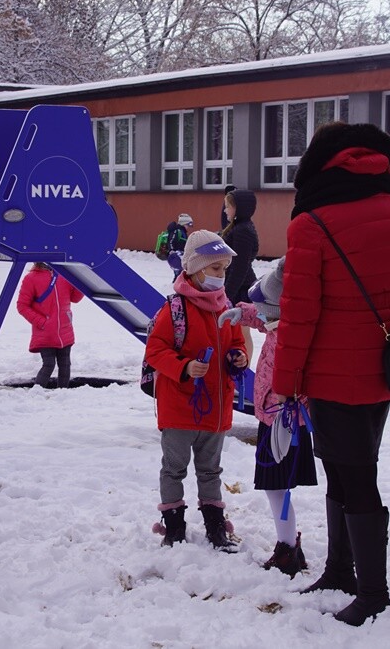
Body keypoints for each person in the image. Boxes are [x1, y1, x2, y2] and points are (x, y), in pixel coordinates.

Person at [273, 122, 390, 626]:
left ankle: (373, 592)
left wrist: (286, 380)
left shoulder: (311, 224)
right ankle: (341, 568)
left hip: (328, 373)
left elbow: (300, 314)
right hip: (381, 369)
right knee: (351, 466)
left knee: (353, 475)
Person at [145, 230, 249, 552]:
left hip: (214, 409)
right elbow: (155, 350)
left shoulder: (224, 308)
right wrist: (185, 367)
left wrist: (239, 357)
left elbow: (236, 343)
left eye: (224, 270)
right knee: (174, 469)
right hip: (179, 408)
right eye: (215, 269)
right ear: (194, 268)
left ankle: (215, 527)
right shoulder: (175, 309)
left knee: (210, 470)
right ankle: (174, 526)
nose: (221, 276)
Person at [217, 258, 317, 575]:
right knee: (278, 486)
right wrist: (243, 313)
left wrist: (292, 408)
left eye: (264, 309)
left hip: (285, 421)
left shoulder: (294, 335)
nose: (259, 315)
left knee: (278, 486)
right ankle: (288, 543)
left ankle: (288, 549)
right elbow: (262, 316)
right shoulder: (279, 323)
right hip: (272, 415)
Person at [16, 263, 84, 388]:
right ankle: (36, 393)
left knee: (65, 364)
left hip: (64, 329)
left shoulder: (65, 274)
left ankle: (63, 393)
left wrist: (81, 283)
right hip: (45, 332)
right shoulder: (31, 278)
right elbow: (22, 305)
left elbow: (75, 298)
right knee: (49, 364)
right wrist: (42, 322)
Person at [221, 188, 259, 357]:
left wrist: (227, 295)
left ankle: (243, 370)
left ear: (238, 208)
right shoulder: (238, 227)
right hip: (236, 286)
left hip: (239, 289)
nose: (225, 210)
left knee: (241, 335)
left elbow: (240, 268)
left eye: (227, 206)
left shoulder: (243, 231)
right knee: (236, 333)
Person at [165, 213, 193, 279]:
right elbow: (171, 241)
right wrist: (172, 251)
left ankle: (176, 284)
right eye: (188, 224)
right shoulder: (177, 231)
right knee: (179, 272)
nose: (188, 226)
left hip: (181, 254)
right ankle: (176, 285)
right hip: (176, 255)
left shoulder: (183, 232)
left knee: (181, 272)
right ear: (184, 223)